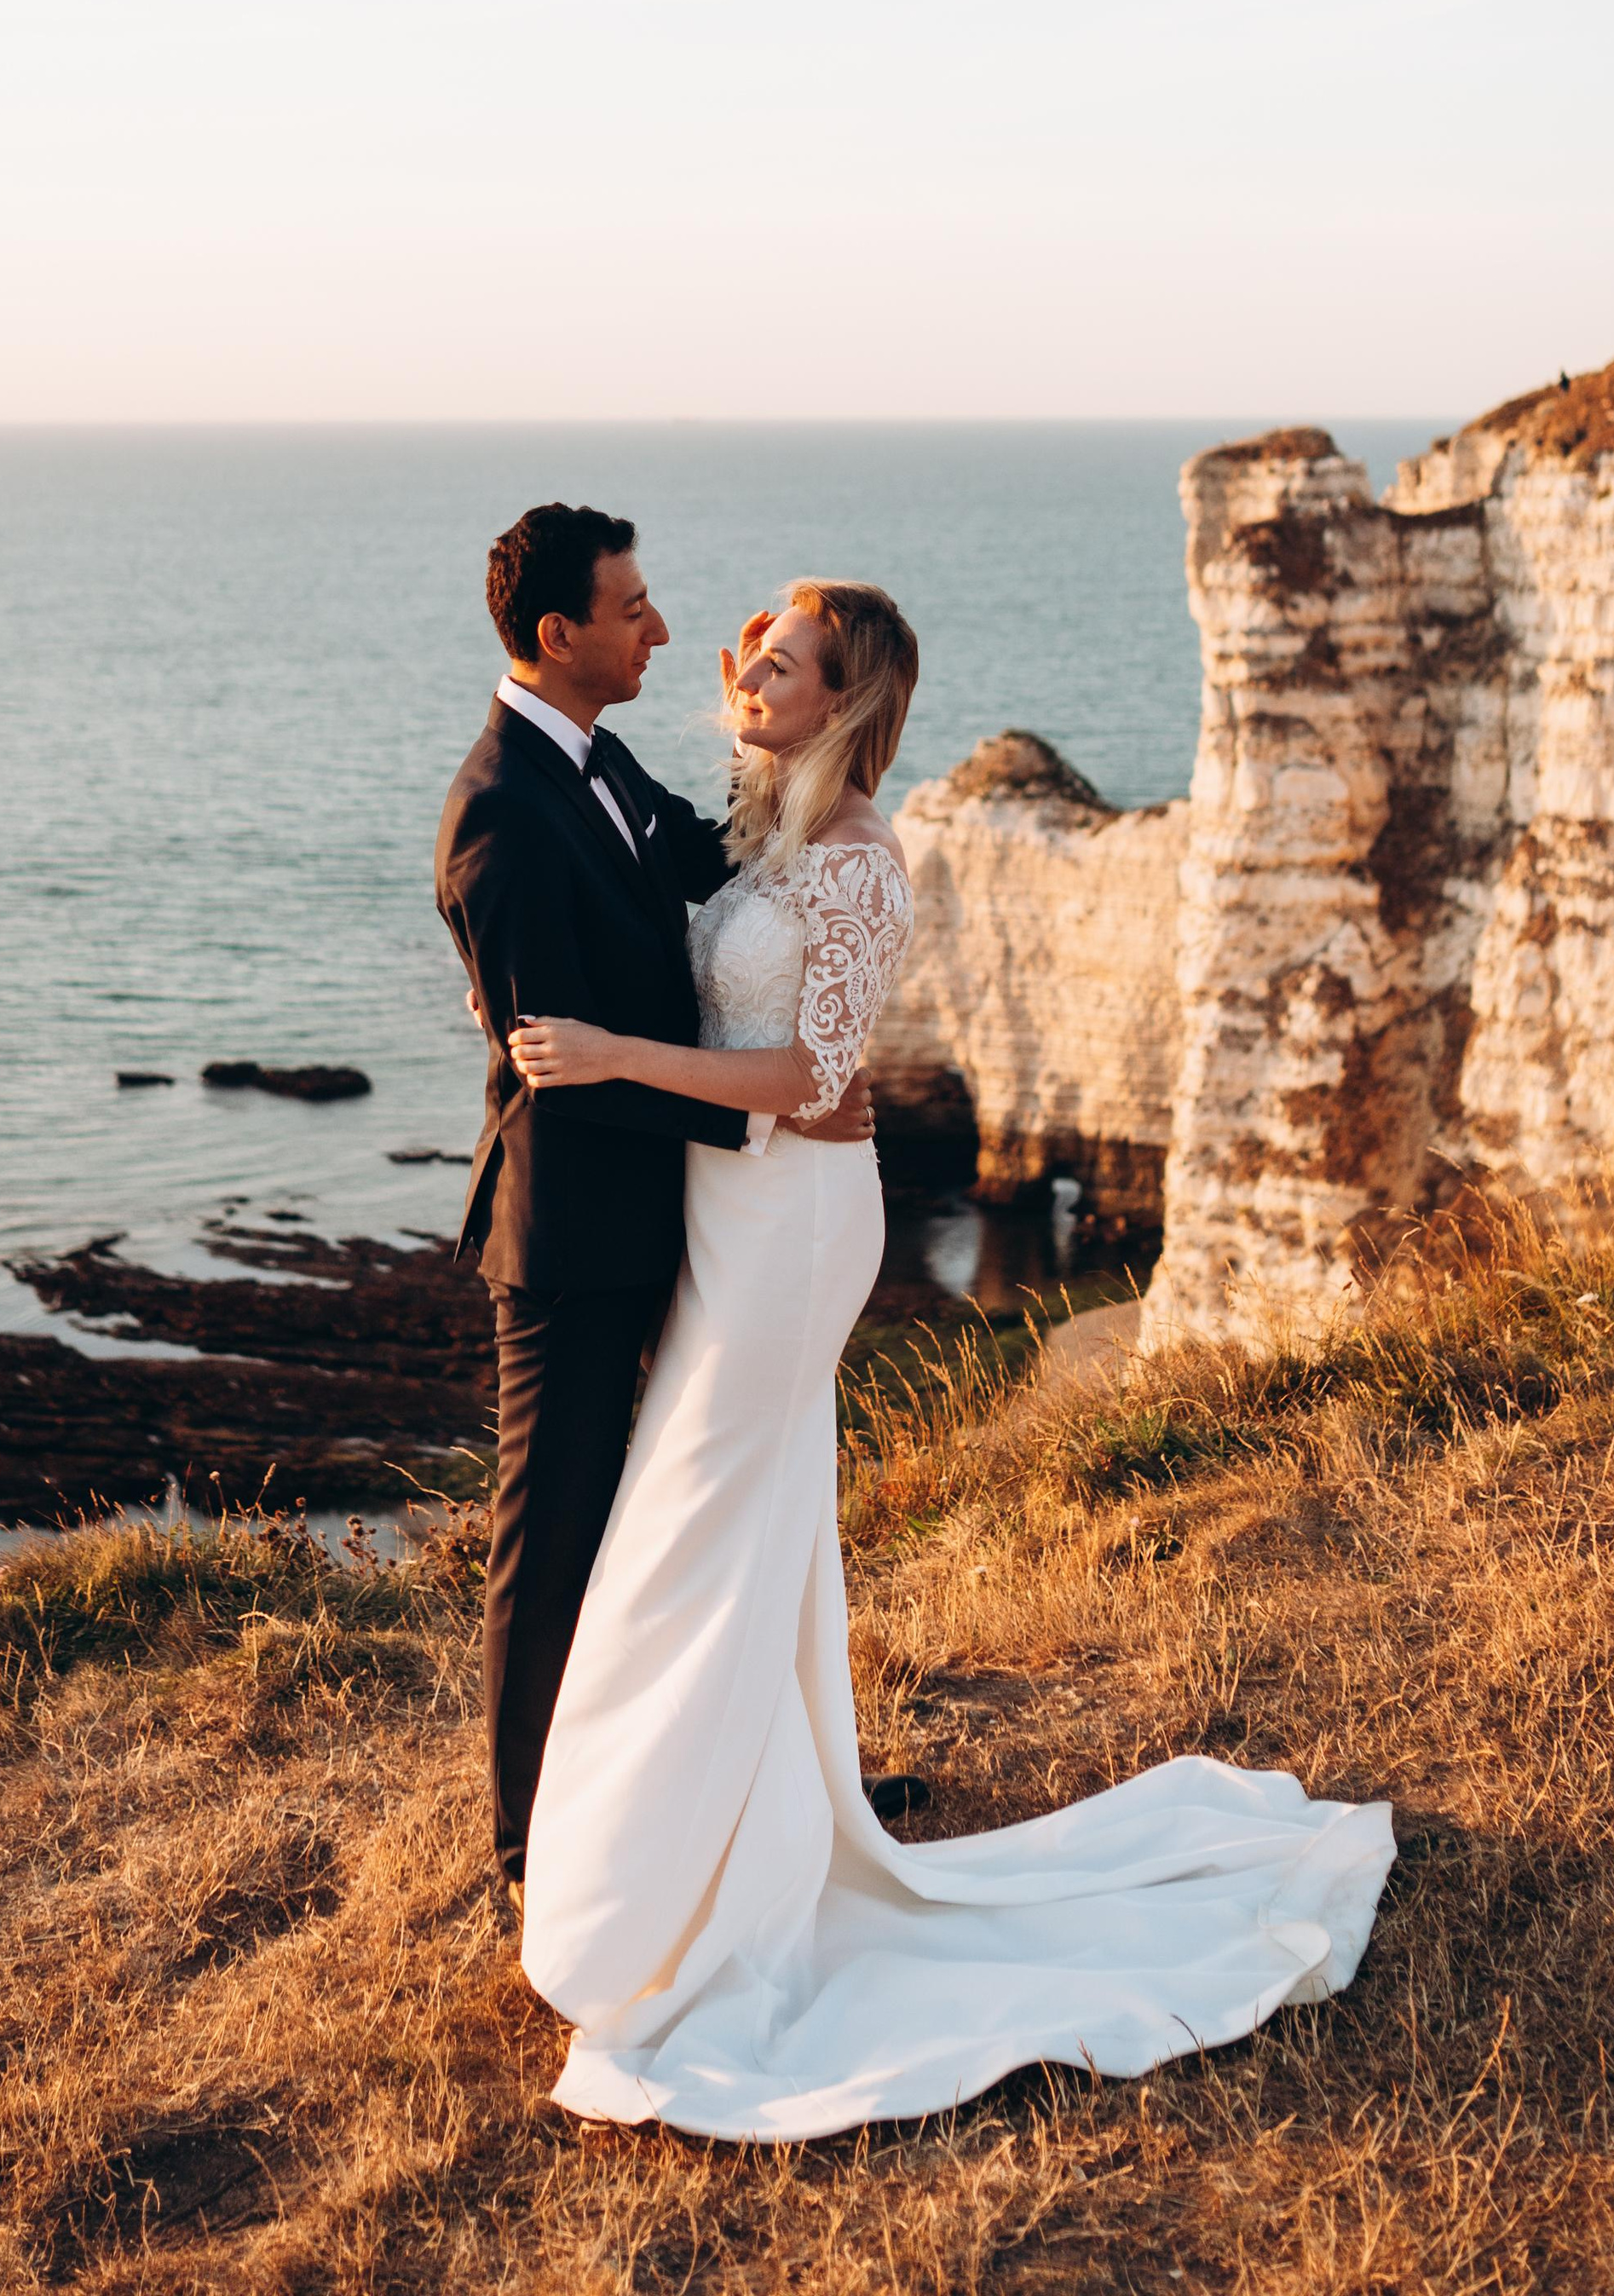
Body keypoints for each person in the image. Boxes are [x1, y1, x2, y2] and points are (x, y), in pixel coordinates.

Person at [502, 576, 1397, 2142]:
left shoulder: (857, 862)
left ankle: (656, 1905)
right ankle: (721, 1855)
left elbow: (812, 1071)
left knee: (692, 1535)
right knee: (737, 1535)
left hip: (790, 1231)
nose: (752, 673)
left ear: (849, 703)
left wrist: (612, 1056)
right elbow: (644, 894)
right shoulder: (762, 825)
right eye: (750, 654)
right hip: (728, 1216)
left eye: (784, 664)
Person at [434, 505, 872, 1894]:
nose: (665, 630)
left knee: (681, 1519)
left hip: (677, 1219)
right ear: (559, 635)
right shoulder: (501, 813)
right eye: (634, 610)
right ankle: (527, 1848)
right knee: (551, 1534)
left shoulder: (592, 756)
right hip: (570, 1236)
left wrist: (768, 723)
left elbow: (710, 861)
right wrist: (782, 1099)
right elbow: (560, 1066)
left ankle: (756, 1775)